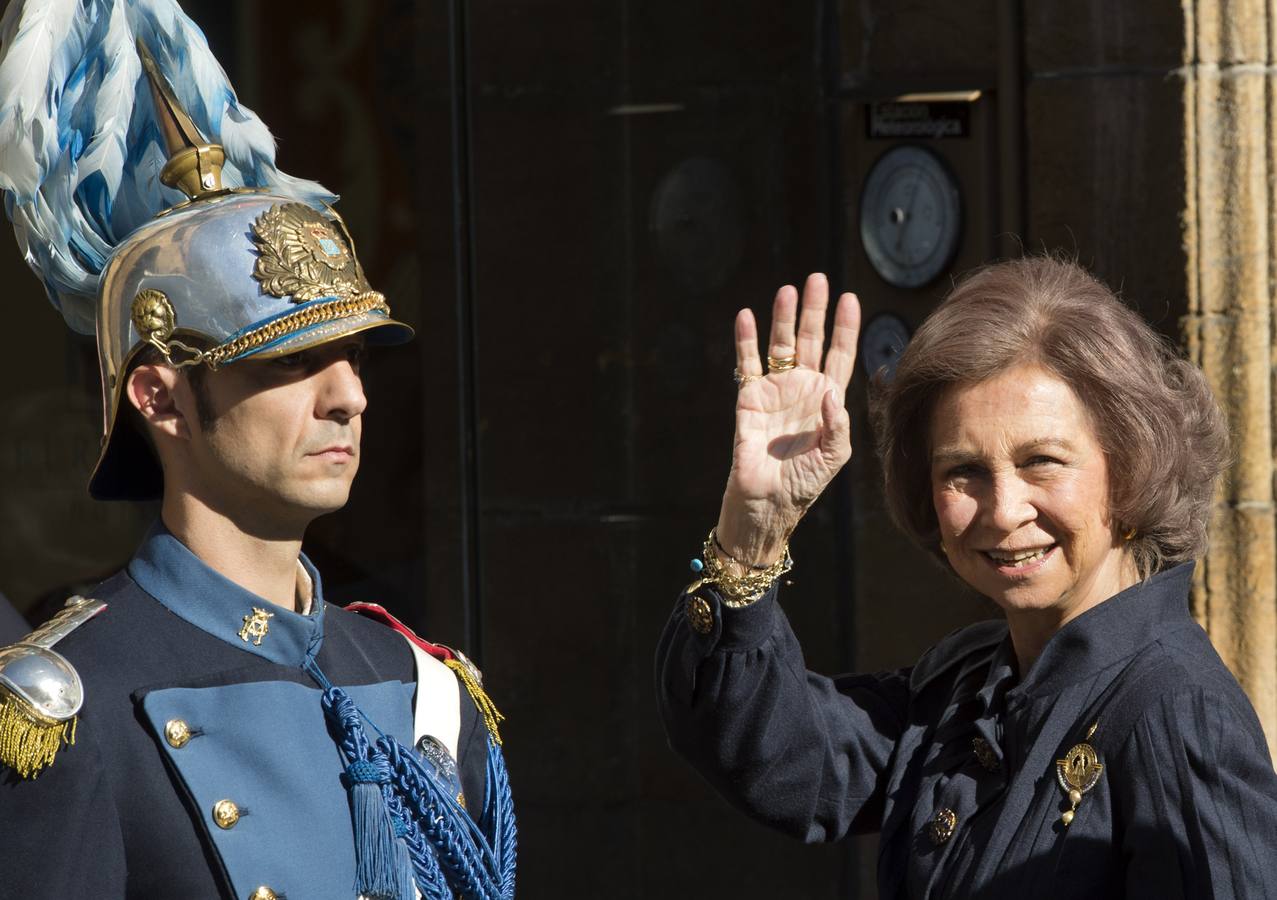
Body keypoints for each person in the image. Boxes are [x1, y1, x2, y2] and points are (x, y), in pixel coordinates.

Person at [0, 2, 515, 898]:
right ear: (159, 397)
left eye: (352, 358)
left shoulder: (422, 682)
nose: (348, 396)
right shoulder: (68, 701)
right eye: (290, 363)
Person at [656, 259, 1277, 896]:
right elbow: (783, 763)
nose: (1004, 512)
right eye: (964, 472)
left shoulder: (1175, 712)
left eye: (1042, 462)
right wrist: (754, 528)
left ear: (1131, 466)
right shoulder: (968, 681)